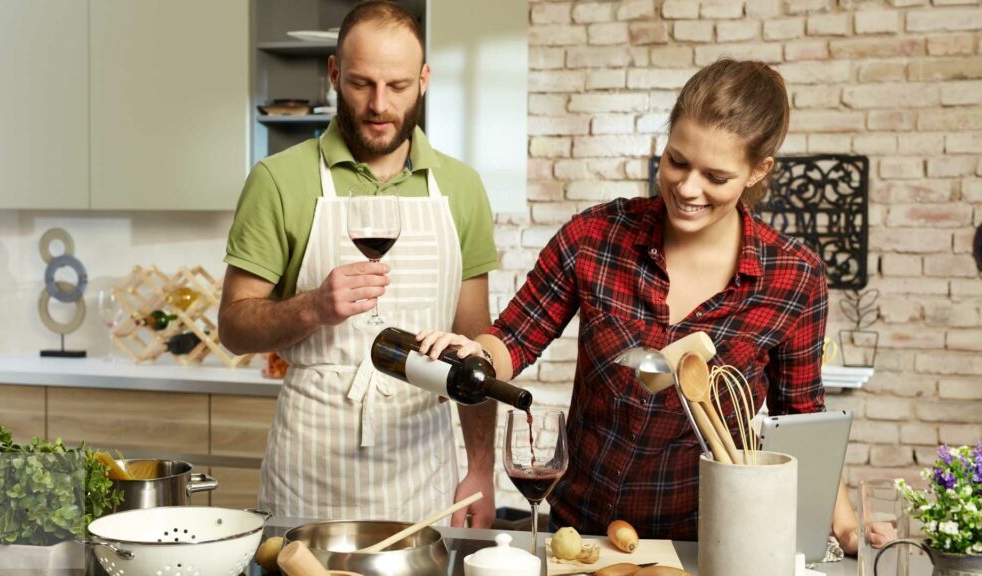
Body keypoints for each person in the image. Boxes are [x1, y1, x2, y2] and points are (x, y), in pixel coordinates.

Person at [419, 58, 864, 551]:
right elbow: (513, 337)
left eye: (715, 176)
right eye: (676, 161)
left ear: (758, 171)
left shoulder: (794, 276)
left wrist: (843, 523)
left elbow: (801, 422)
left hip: (710, 541)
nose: (687, 188)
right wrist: (473, 358)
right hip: (579, 535)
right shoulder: (595, 236)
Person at [218, 0, 499, 528]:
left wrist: (480, 469)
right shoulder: (279, 180)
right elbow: (233, 326)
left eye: (397, 86)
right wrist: (312, 308)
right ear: (333, 75)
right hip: (309, 468)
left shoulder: (461, 189)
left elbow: (473, 343)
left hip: (423, 468)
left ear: (423, 80)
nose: (378, 105)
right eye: (360, 83)